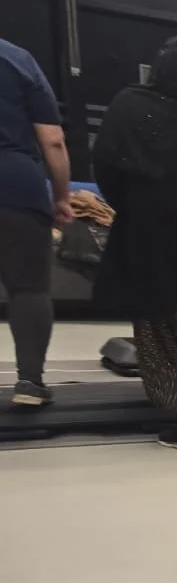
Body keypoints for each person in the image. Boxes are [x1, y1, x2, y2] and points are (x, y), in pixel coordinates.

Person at [92, 36, 177, 452]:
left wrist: (132, 204)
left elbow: (106, 165)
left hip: (147, 229)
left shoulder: (130, 105)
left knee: (156, 325)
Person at [0, 38, 72, 408]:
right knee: (28, 288)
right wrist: (61, 196)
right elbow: (53, 140)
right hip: (17, 185)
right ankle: (30, 382)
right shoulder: (17, 59)